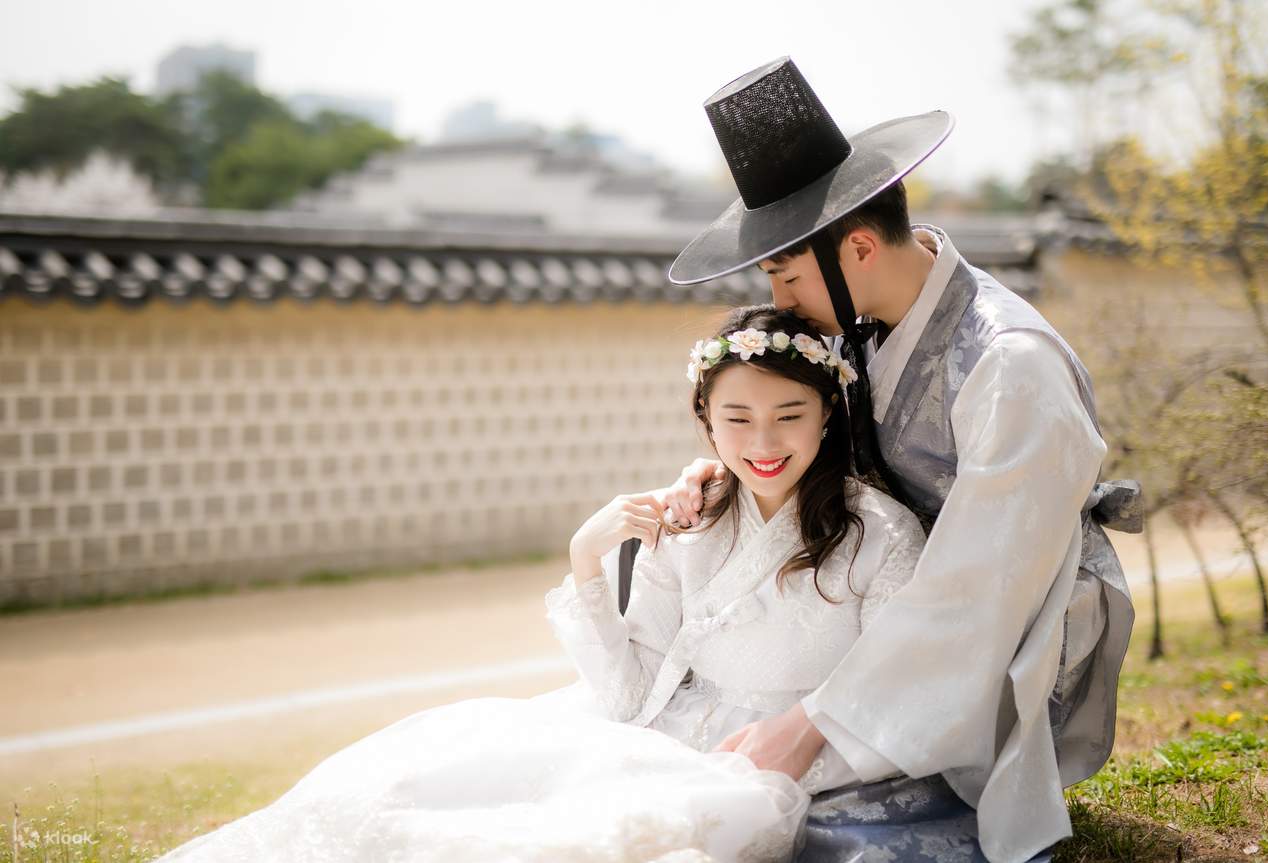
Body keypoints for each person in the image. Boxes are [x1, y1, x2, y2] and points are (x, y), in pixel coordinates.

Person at [152, 305, 930, 863]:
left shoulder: (880, 532)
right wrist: (587, 556)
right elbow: (628, 695)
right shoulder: (691, 517)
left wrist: (791, 747)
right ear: (704, 418)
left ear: (826, 415)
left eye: (789, 414)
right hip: (655, 733)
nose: (762, 441)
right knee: (429, 786)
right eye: (736, 418)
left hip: (773, 754)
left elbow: (897, 689)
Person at [659, 57, 1142, 863]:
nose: (778, 301)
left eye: (785, 273)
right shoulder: (867, 329)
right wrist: (725, 471)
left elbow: (979, 584)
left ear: (856, 247)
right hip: (895, 611)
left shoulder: (1010, 363)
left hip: (1005, 628)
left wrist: (812, 721)